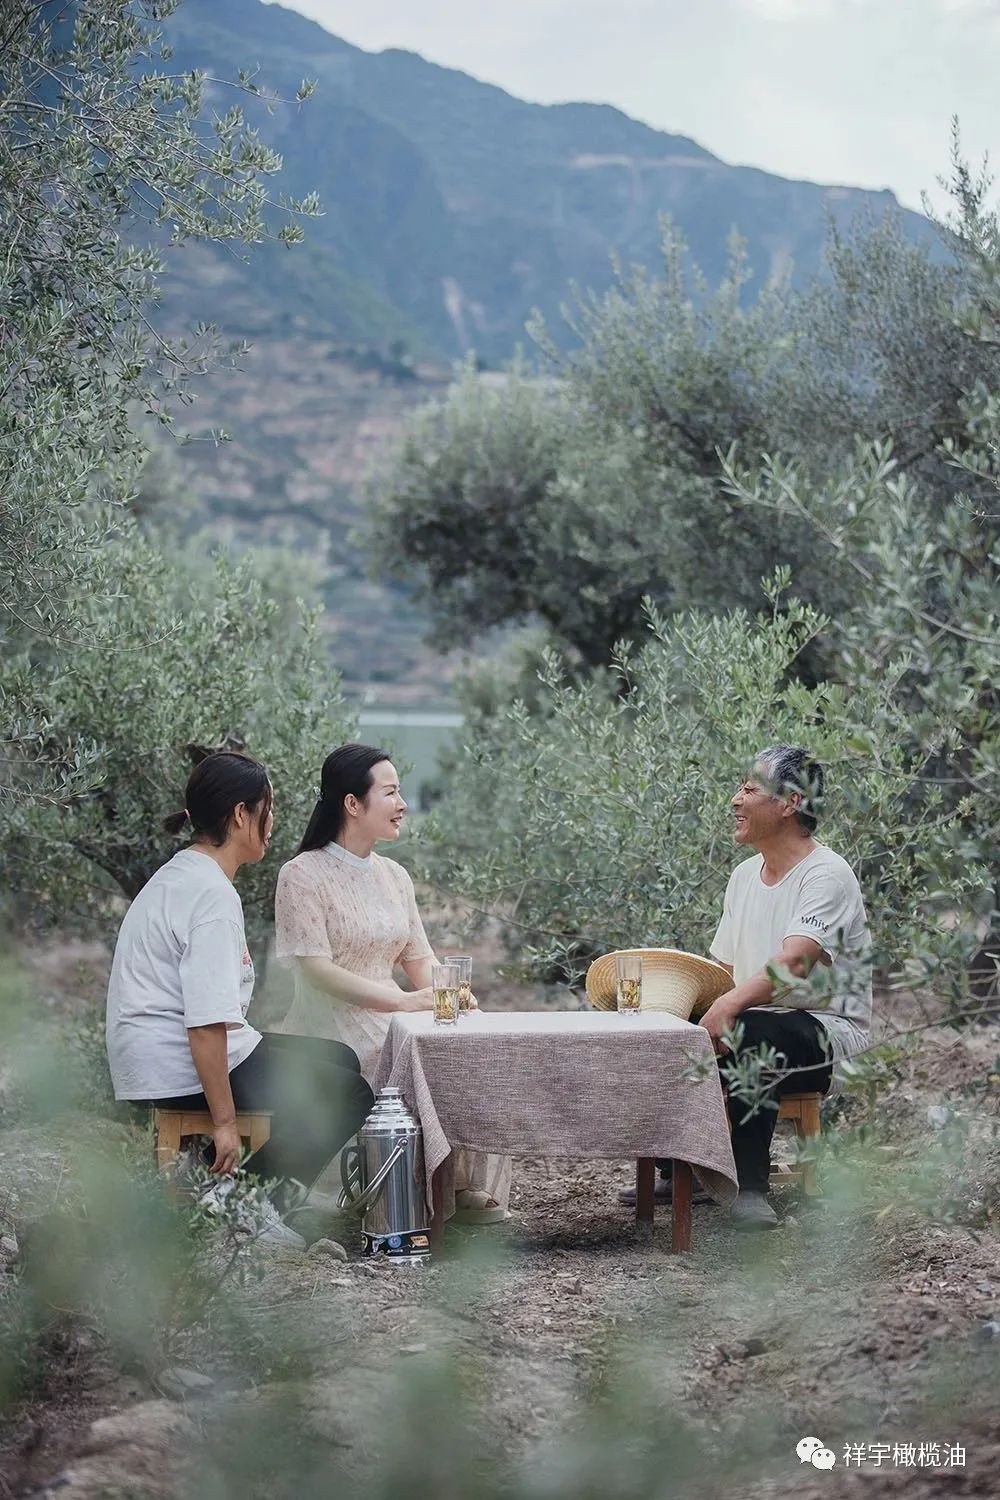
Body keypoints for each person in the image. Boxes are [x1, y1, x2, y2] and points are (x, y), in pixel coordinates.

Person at [106, 749, 373, 1250]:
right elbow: (205, 1024)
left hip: (158, 1053)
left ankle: (266, 1193)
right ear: (240, 814)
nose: (273, 821)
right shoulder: (212, 896)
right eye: (268, 808)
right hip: (176, 1063)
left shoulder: (185, 873)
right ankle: (249, 1203)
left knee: (339, 1059)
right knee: (350, 1093)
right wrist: (225, 1123)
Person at [274, 743, 511, 1224]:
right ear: (352, 803)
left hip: (395, 1012)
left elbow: (419, 957)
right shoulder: (301, 875)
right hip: (330, 1024)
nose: (402, 804)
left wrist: (452, 996)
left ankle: (456, 1182)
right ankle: (386, 1190)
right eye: (391, 793)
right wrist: (403, 1002)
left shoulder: (395, 876)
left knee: (466, 1046)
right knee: (396, 1056)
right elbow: (316, 969)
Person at [703, 743, 872, 1229]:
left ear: (790, 802)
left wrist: (728, 1007)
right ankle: (685, 1169)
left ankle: (750, 1186)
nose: (736, 800)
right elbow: (721, 970)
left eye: (749, 789)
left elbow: (795, 963)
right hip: (755, 1021)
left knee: (751, 1030)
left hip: (828, 1033)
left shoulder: (826, 873)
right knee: (674, 1026)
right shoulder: (743, 877)